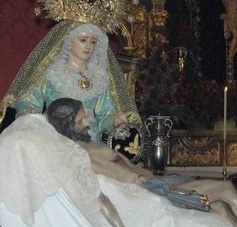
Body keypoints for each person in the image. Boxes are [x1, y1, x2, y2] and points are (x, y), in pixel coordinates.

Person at [45, 98, 237, 227]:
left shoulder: (87, 146)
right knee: (225, 188)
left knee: (219, 205)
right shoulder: (81, 154)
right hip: (153, 191)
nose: (88, 122)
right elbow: (102, 192)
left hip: (156, 183)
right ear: (68, 125)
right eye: (82, 119)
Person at [2, 21, 137, 141]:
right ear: (68, 40)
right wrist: (28, 110)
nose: (88, 46)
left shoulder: (99, 77)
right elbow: (30, 98)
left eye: (93, 42)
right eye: (83, 40)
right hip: (54, 134)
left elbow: (104, 115)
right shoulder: (52, 72)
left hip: (88, 138)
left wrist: (115, 120)